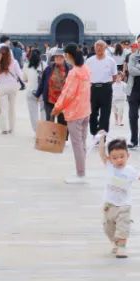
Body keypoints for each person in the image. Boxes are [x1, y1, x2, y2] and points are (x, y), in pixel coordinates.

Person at [97, 136, 140, 257]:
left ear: (127, 156)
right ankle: (115, 242)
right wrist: (101, 140)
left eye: (122, 156)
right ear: (109, 159)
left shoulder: (130, 170)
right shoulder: (109, 166)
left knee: (123, 227)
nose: (119, 160)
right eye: (115, 158)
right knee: (108, 228)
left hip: (124, 205)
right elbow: (101, 153)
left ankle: (121, 248)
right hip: (109, 205)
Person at [53, 43, 92, 184]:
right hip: (85, 110)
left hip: (75, 112)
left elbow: (68, 93)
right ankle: (82, 171)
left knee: (77, 144)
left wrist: (57, 107)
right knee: (82, 142)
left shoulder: (74, 73)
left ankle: (81, 174)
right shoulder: (86, 69)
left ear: (69, 55)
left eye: (65, 55)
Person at [86, 40, 119, 135]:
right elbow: (86, 75)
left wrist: (108, 85)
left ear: (105, 48)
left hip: (106, 88)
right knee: (92, 113)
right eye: (97, 46)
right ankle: (94, 132)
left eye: (101, 46)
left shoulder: (111, 61)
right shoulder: (89, 61)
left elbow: (114, 76)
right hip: (93, 88)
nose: (99, 48)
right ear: (94, 48)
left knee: (105, 113)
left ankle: (102, 135)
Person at [0, 45, 24, 135]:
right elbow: (20, 74)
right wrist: (24, 82)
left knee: (3, 109)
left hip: (2, 87)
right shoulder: (14, 62)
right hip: (13, 87)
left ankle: (4, 129)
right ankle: (11, 128)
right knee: (12, 108)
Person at [38, 48, 71, 121]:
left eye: (60, 57)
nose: (58, 58)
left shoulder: (69, 69)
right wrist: (38, 94)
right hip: (49, 100)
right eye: (56, 57)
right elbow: (42, 82)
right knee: (50, 121)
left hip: (63, 101)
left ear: (64, 58)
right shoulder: (49, 68)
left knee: (62, 122)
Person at [23, 49, 45, 132]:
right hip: (42, 91)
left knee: (33, 113)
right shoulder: (44, 65)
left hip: (31, 91)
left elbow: (24, 79)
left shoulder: (26, 65)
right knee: (43, 111)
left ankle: (36, 131)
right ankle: (43, 131)